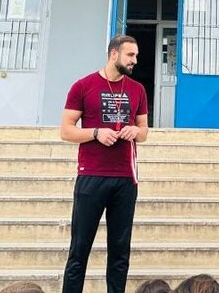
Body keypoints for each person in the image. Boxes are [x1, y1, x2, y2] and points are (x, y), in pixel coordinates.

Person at [60, 35, 149, 293]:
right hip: (92, 175)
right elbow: (66, 131)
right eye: (130, 55)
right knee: (79, 249)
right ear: (114, 54)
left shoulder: (137, 89)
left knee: (120, 252)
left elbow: (144, 131)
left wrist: (135, 131)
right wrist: (96, 132)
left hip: (125, 178)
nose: (134, 60)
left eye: (136, 55)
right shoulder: (83, 86)